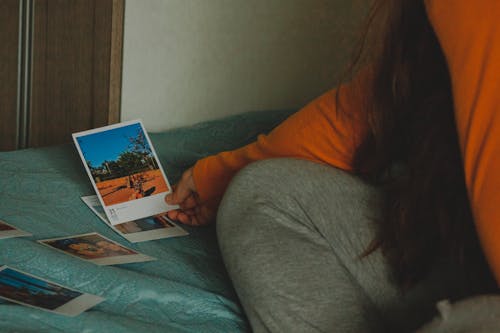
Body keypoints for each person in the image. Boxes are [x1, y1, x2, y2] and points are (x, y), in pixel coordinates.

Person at [166, 0, 500, 331]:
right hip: (466, 260)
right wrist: (217, 176)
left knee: (470, 322)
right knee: (263, 192)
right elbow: (377, 106)